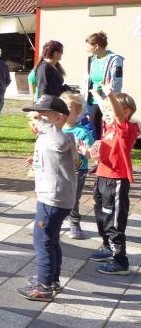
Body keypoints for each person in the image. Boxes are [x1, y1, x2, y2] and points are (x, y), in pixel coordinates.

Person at [17, 95, 78, 301]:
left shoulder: (60, 136)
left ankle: (44, 287)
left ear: (58, 118)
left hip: (53, 198)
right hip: (52, 195)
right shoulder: (49, 135)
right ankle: (52, 279)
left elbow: (59, 144)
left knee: (41, 240)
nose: (36, 121)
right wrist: (35, 159)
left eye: (42, 117)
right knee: (51, 239)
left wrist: (44, 125)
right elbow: (63, 156)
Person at [87, 80, 138, 276]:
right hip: (101, 176)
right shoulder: (109, 129)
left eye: (111, 110)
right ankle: (108, 247)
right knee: (101, 215)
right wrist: (97, 95)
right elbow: (107, 110)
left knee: (113, 220)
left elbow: (116, 114)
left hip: (116, 180)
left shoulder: (125, 129)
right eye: (105, 110)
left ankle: (120, 261)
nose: (106, 113)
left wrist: (109, 95)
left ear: (126, 112)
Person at [60, 92, 94, 240]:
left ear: (78, 111)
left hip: (77, 170)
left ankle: (74, 224)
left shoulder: (82, 132)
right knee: (59, 195)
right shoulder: (56, 129)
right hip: (59, 169)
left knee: (73, 198)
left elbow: (93, 154)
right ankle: (59, 218)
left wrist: (86, 152)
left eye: (68, 108)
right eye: (62, 107)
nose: (64, 111)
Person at [83, 31, 124, 139]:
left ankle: (107, 147)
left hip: (106, 101)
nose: (86, 49)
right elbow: (87, 81)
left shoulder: (115, 59)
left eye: (88, 46)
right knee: (94, 129)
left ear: (96, 46)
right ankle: (97, 148)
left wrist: (111, 101)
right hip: (91, 101)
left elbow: (116, 83)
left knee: (106, 129)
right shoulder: (91, 60)